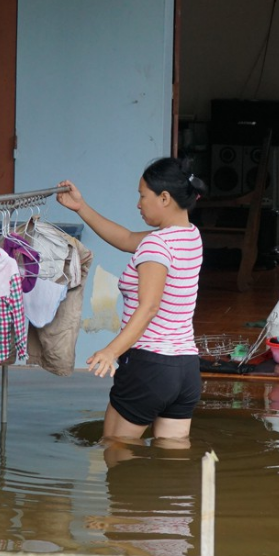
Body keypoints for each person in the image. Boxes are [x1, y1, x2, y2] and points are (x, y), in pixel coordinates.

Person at [56, 158, 206, 441]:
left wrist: (111, 351)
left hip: (150, 367)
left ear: (164, 198)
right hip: (185, 371)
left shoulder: (157, 244)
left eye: (142, 196)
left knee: (115, 450)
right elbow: (125, 238)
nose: (138, 204)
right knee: (173, 467)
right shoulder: (190, 237)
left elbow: (149, 307)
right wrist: (81, 207)